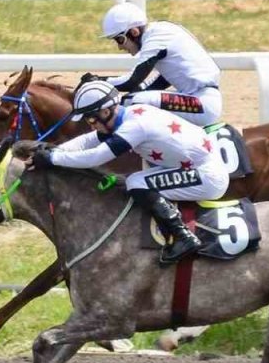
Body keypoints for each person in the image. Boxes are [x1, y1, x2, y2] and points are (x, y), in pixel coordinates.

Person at [28, 79, 230, 263]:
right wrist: (57, 150)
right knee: (135, 179)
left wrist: (52, 159)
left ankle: (182, 237)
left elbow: (96, 156)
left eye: (91, 120)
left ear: (105, 112)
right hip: (194, 165)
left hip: (206, 175)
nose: (91, 125)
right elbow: (90, 140)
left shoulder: (134, 127)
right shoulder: (129, 113)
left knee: (136, 182)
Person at [81, 0, 222, 127]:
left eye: (119, 39)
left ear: (134, 32)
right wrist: (140, 89)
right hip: (201, 100)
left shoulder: (155, 39)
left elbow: (130, 82)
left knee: (128, 102)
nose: (119, 47)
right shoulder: (160, 30)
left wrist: (97, 81)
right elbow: (164, 79)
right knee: (134, 97)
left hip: (202, 104)